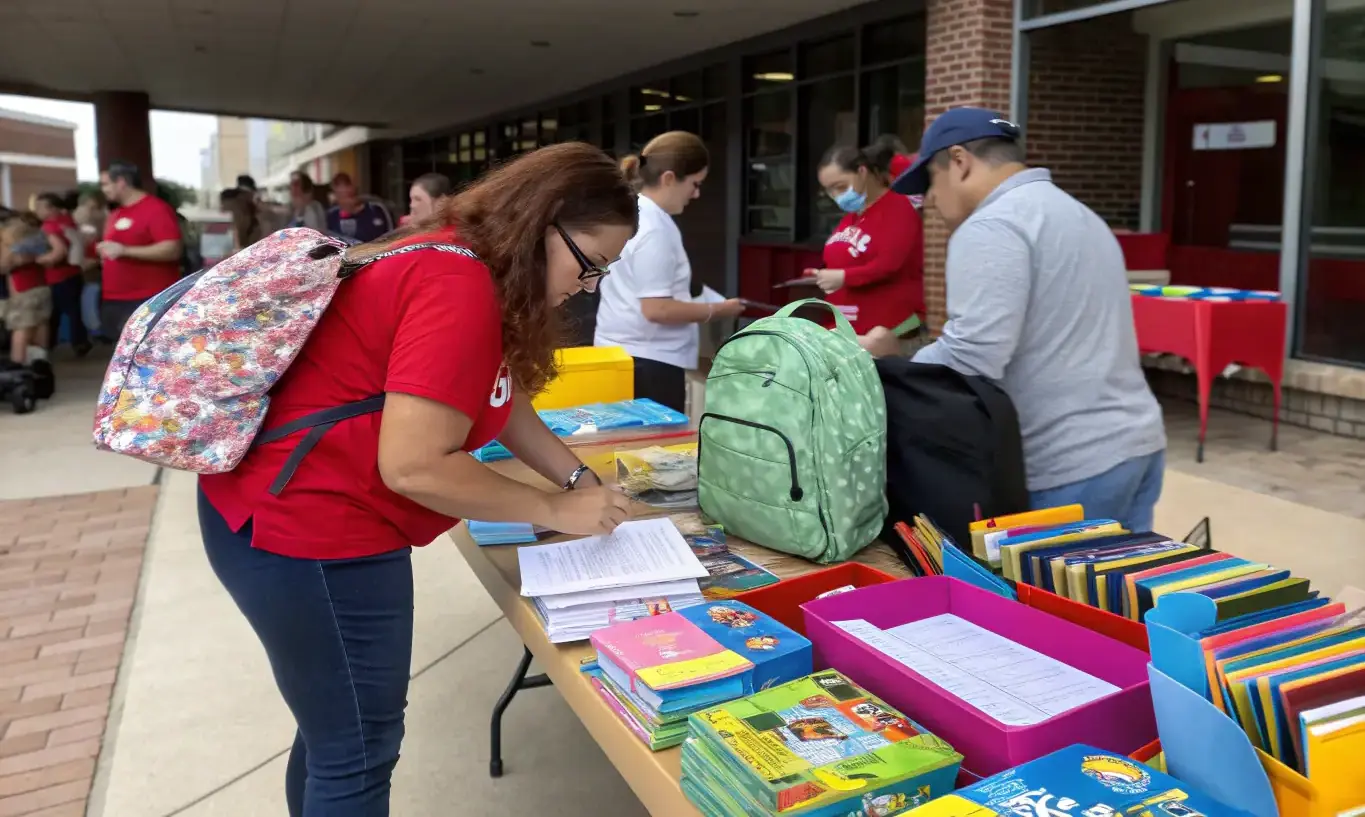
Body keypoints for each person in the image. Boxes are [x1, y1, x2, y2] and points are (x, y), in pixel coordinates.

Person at [197, 142, 637, 817]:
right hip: (311, 528)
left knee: (334, 734)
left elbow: (496, 388)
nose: (589, 285)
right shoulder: (455, 282)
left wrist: (574, 475)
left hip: (281, 508)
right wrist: (552, 506)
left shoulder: (452, 253)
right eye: (589, 265)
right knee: (358, 748)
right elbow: (413, 464)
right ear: (543, 221)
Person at [866, 107, 1166, 531]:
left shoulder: (992, 225)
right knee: (1118, 595)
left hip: (1070, 464)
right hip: (1136, 443)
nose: (930, 200)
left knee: (1052, 598)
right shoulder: (1079, 214)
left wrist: (893, 365)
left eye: (931, 181)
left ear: (959, 162)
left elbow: (973, 356)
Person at [594, 131, 743, 413]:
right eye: (695, 184)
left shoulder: (633, 213)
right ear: (669, 179)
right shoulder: (655, 228)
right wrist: (719, 309)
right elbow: (657, 309)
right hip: (649, 365)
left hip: (622, 354)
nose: (696, 194)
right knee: (649, 454)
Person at [807, 140, 924, 344]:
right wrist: (820, 275)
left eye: (840, 187)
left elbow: (888, 265)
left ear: (862, 172)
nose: (836, 196)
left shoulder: (899, 208)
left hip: (885, 333)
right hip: (845, 328)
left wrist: (843, 277)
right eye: (829, 190)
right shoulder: (852, 216)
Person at [96, 161, 184, 338]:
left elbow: (172, 249)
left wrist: (125, 251)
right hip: (115, 298)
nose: (103, 190)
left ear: (121, 182)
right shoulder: (116, 214)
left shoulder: (156, 209)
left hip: (149, 299)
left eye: (105, 184)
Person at [33, 192, 91, 355]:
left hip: (57, 275)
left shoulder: (49, 226)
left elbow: (59, 250)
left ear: (52, 208)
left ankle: (47, 346)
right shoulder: (68, 222)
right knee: (74, 311)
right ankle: (79, 342)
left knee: (53, 313)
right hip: (74, 272)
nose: (37, 210)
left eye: (40, 207)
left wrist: (38, 260)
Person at [0, 212, 52, 365]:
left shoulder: (12, 245)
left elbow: (4, 265)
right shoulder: (36, 241)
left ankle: (18, 366)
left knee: (21, 330)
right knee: (40, 326)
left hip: (23, 292)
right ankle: (40, 364)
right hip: (41, 288)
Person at [327, 172, 394, 244]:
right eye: (339, 185)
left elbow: (393, 236)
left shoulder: (377, 209)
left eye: (347, 184)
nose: (345, 189)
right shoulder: (331, 216)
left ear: (354, 187)